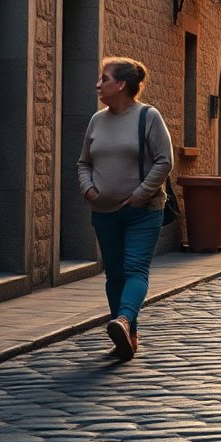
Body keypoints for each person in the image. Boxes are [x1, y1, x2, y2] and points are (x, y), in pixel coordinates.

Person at [77, 57, 172, 362]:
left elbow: (164, 161)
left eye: (103, 79)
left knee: (135, 269)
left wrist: (140, 195)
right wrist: (88, 188)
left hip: (143, 211)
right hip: (104, 212)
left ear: (120, 85)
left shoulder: (149, 117)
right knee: (115, 274)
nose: (98, 84)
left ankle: (122, 320)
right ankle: (127, 337)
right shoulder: (97, 120)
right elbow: (84, 162)